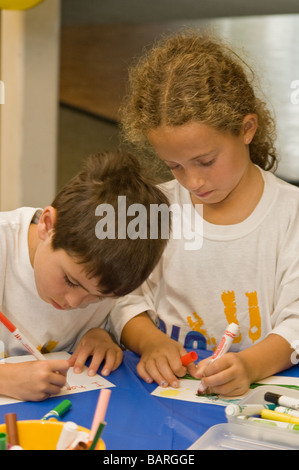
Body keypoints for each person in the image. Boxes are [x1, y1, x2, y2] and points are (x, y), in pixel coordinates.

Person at [109, 31, 299, 397]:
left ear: (247, 129)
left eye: (206, 161)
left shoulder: (290, 215)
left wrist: (249, 365)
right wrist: (151, 343)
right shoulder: (153, 210)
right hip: (164, 395)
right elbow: (121, 297)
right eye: (174, 165)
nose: (193, 181)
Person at [0, 150, 169, 401]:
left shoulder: (101, 275)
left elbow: (113, 314)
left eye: (98, 298)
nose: (74, 302)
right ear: (47, 225)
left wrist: (100, 334)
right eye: (70, 281)